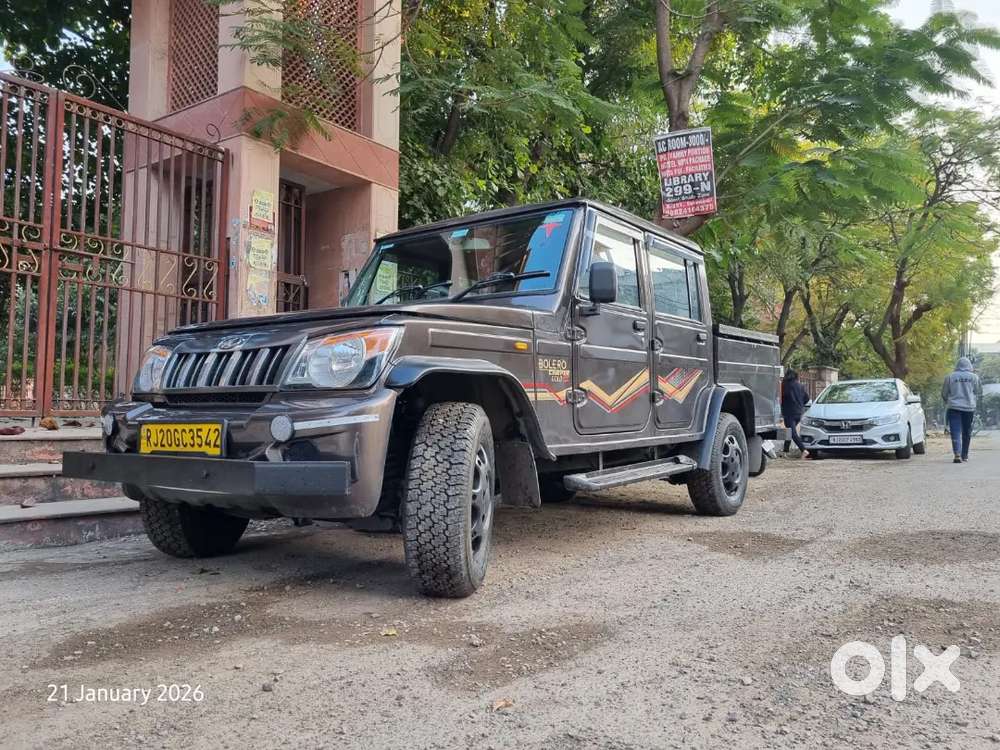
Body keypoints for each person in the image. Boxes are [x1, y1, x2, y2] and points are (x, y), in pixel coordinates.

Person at [941, 356, 981, 464]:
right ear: (969, 365)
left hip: (954, 408)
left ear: (957, 365)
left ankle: (957, 454)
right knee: (967, 432)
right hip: (969, 408)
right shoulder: (974, 377)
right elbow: (976, 391)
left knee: (955, 431)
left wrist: (948, 401)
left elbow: (944, 394)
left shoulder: (950, 377)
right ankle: (965, 455)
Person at [781, 370, 811, 457]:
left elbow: (782, 398)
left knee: (792, 433)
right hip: (799, 412)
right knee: (789, 431)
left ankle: (803, 450)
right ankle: (785, 451)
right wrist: (801, 405)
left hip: (789, 412)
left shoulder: (785, 385)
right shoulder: (800, 385)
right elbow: (807, 398)